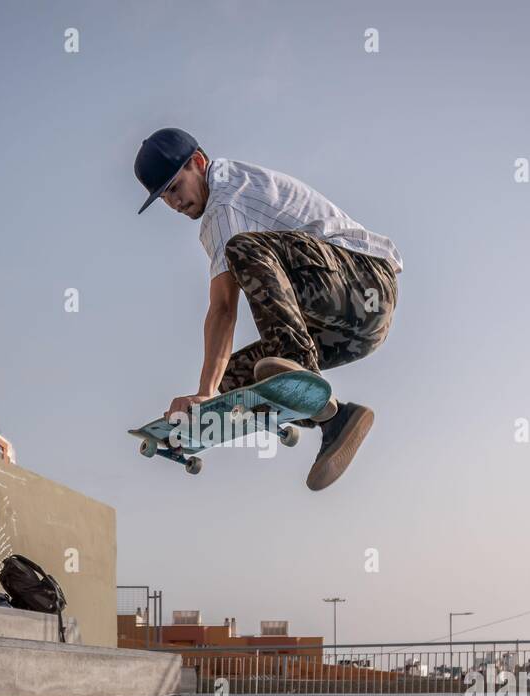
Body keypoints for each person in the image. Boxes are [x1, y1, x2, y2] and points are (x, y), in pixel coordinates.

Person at [135, 127, 403, 490]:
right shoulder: (225, 198)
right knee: (235, 382)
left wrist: (203, 389)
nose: (174, 203)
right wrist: (206, 403)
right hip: (347, 330)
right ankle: (335, 419)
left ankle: (297, 368)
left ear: (198, 163)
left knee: (243, 250)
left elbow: (224, 308)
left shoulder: (225, 201)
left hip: (366, 281)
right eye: (163, 197)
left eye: (175, 188)